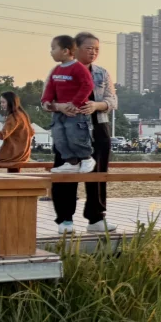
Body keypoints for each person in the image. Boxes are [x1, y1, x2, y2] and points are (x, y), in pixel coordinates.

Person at [51, 32, 118, 234]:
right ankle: (65, 220)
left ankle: (96, 218)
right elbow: (47, 101)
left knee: (98, 174)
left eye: (97, 49)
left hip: (98, 127)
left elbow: (112, 101)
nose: (93, 52)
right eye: (89, 48)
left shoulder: (102, 73)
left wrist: (97, 105)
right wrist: (61, 107)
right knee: (67, 172)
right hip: (68, 128)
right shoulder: (60, 72)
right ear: (75, 49)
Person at [42, 34, 96, 177]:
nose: (51, 52)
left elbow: (87, 85)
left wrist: (75, 103)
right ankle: (71, 162)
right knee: (59, 137)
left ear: (65, 51)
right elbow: (50, 88)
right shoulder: (56, 70)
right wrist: (46, 100)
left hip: (75, 112)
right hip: (59, 113)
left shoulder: (78, 68)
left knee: (75, 136)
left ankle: (86, 158)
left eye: (53, 48)